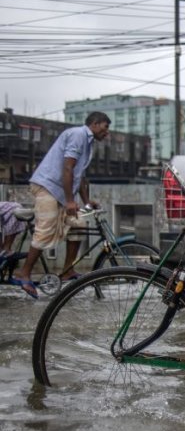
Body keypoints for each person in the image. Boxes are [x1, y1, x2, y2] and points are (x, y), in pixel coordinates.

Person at [15, 112, 111, 298]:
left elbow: (79, 175)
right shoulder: (78, 135)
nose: (107, 133)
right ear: (95, 123)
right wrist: (69, 201)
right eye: (105, 127)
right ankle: (24, 273)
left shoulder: (88, 142)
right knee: (45, 229)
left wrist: (86, 201)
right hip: (48, 187)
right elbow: (67, 168)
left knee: (79, 224)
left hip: (60, 191)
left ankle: (68, 270)